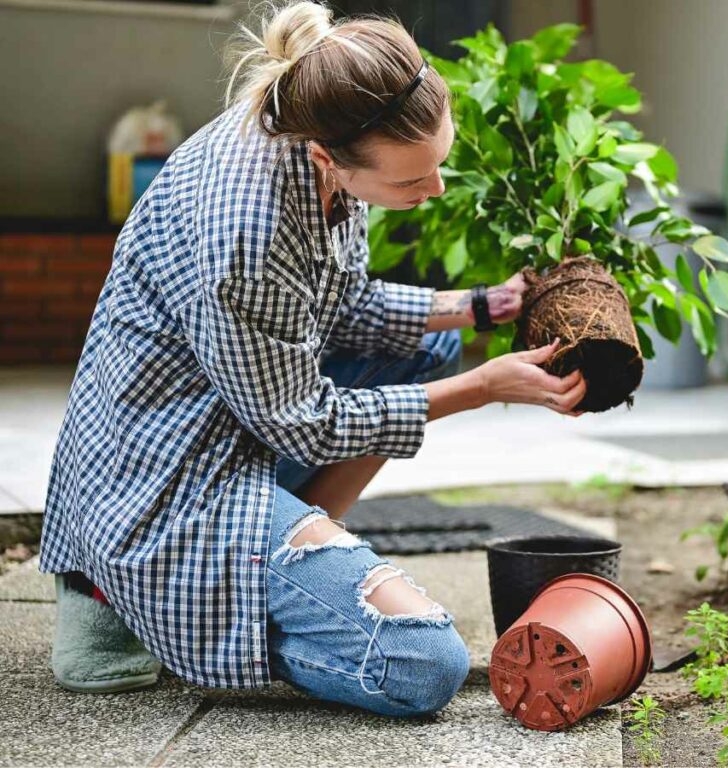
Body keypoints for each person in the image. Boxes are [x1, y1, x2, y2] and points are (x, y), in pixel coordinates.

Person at [39, 1, 586, 717]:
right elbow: (305, 425)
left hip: (234, 419)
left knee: (431, 344)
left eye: (438, 166)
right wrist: (480, 389)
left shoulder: (315, 134)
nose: (435, 190)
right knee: (422, 664)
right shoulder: (247, 234)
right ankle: (133, 598)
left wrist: (480, 305)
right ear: (332, 159)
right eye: (411, 182)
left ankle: (292, 560)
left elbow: (340, 304)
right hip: (166, 477)